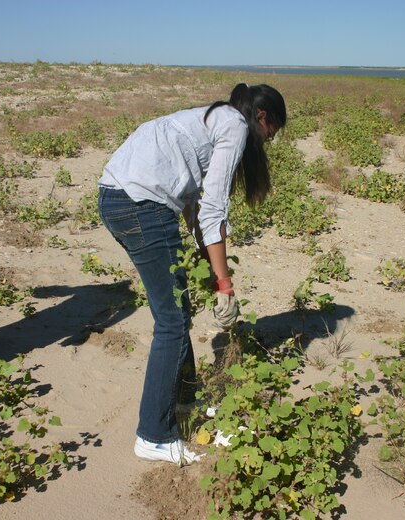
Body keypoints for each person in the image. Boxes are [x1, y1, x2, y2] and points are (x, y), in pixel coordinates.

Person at [97, 83, 286, 465]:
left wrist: (209, 269)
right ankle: (154, 435)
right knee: (171, 320)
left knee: (175, 311)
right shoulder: (234, 125)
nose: (268, 141)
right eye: (272, 132)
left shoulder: (206, 118)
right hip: (141, 205)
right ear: (262, 116)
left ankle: (183, 401)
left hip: (113, 198)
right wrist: (225, 284)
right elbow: (213, 210)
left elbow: (194, 212)